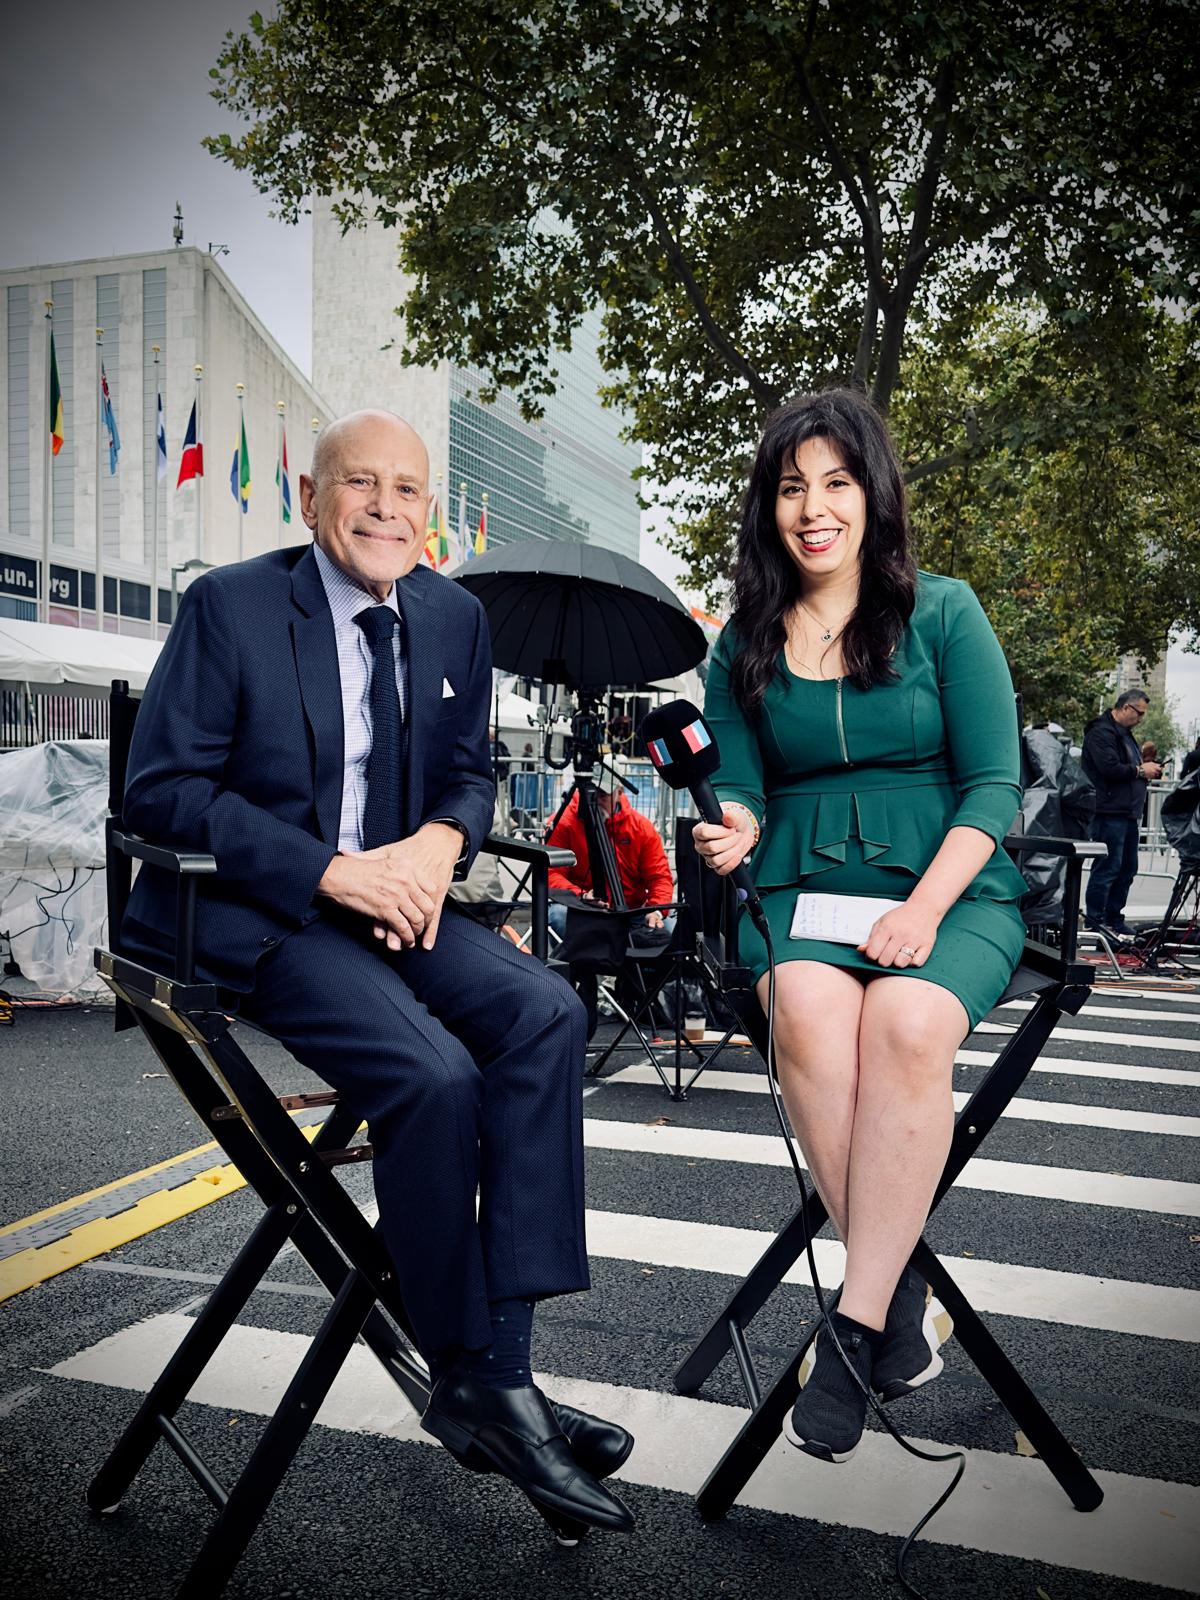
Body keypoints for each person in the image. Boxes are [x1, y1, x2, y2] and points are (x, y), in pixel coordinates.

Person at [121, 409, 634, 1534]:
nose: (387, 508)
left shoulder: (453, 616)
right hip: (256, 912)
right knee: (436, 1075)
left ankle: (499, 1372)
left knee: (545, 1012)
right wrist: (333, 873)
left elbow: (468, 774)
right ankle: (474, 1370)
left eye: (408, 489)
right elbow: (159, 793)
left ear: (430, 511)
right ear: (314, 498)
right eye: (362, 484)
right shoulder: (232, 606)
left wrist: (439, 846)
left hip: (396, 900)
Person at [693, 388, 1028, 1464]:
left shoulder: (947, 612)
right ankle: (901, 1289)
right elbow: (738, 783)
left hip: (947, 888)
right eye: (792, 487)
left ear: (872, 495)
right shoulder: (739, 639)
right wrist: (728, 829)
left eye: (836, 482)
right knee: (804, 1011)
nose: (814, 506)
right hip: (797, 892)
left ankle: (849, 1328)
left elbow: (991, 784)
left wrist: (926, 910)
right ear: (770, 507)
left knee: (907, 1031)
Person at [545, 781, 676, 940]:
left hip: (630, 910)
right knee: (558, 915)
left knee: (668, 925)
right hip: (582, 908)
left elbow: (659, 878)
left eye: (602, 795)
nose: (595, 801)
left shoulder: (641, 828)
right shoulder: (564, 823)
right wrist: (582, 896)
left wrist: (656, 911)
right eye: (592, 795)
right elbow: (550, 874)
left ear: (619, 792)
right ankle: (573, 963)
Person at [1081, 691, 1161, 937]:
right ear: (1126, 708)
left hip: (1126, 813)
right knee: (1108, 868)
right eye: (1139, 714)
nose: (1140, 719)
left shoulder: (1124, 735)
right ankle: (1096, 921)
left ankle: (1114, 919)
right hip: (1109, 811)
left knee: (1126, 869)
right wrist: (1140, 771)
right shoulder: (1101, 732)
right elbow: (1109, 768)